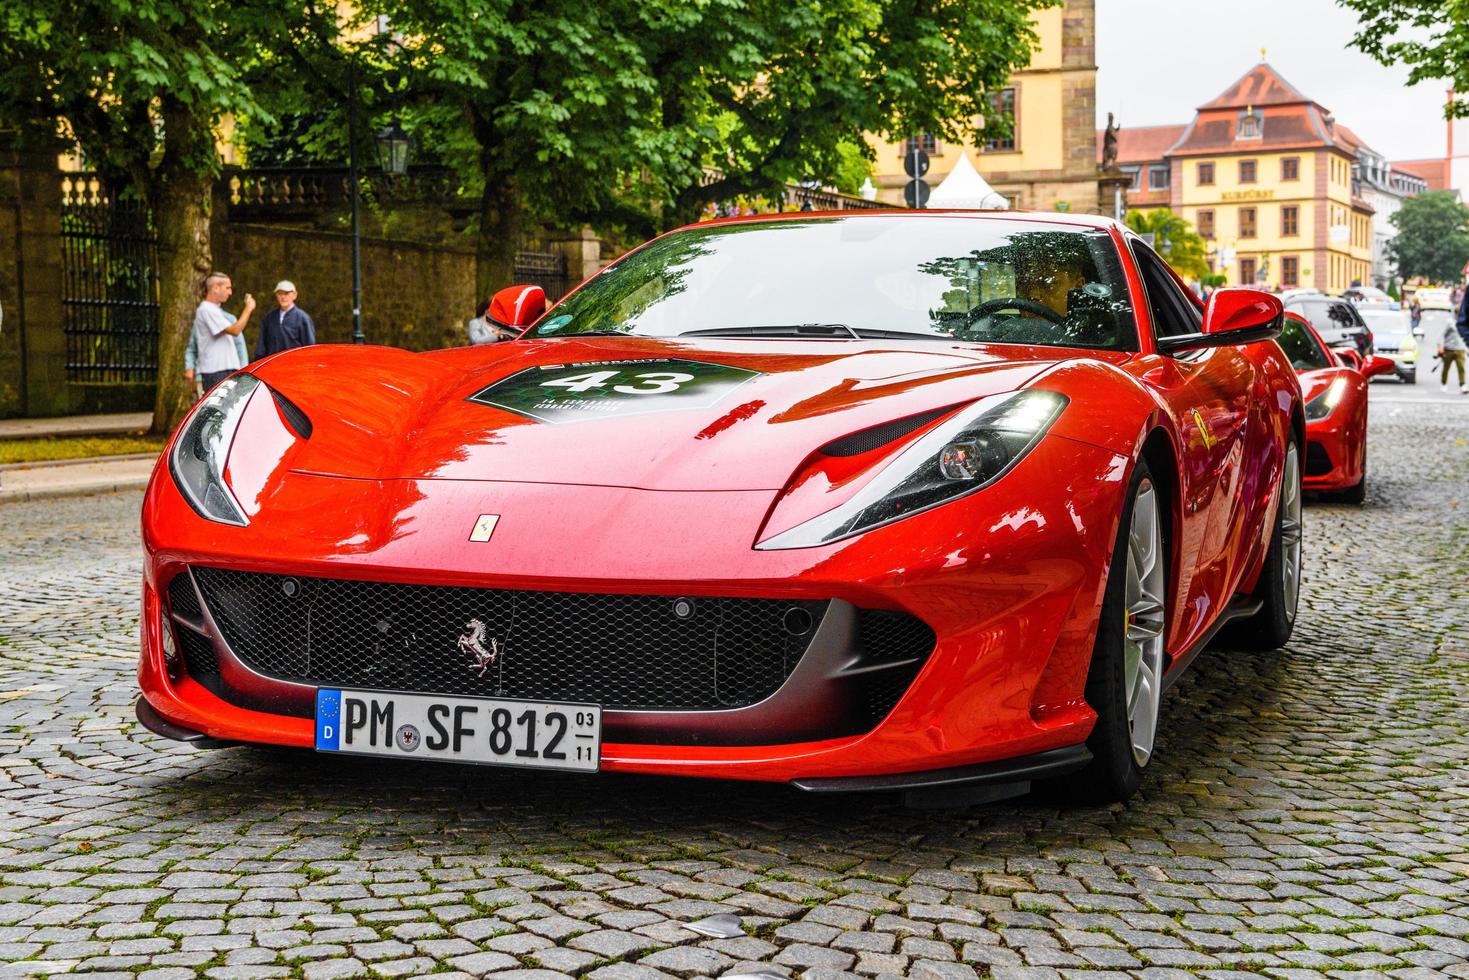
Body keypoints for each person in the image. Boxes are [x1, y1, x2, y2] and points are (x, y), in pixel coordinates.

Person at [191, 272, 254, 391]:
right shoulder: (206, 309)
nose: (230, 292)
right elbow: (235, 330)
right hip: (216, 371)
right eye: (227, 288)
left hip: (224, 370)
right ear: (215, 288)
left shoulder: (215, 310)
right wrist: (248, 309)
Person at [255, 280, 316, 358]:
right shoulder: (269, 318)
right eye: (280, 293)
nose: (283, 297)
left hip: (294, 365)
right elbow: (261, 347)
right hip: (272, 366)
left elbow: (309, 347)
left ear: (295, 295)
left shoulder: (303, 318)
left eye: (286, 293)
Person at [1439, 303, 1467, 393]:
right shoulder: (1449, 322)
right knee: (1446, 368)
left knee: (1461, 368)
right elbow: (1441, 335)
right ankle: (1444, 383)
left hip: (1460, 349)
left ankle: (1463, 385)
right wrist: (1440, 346)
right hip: (1449, 348)